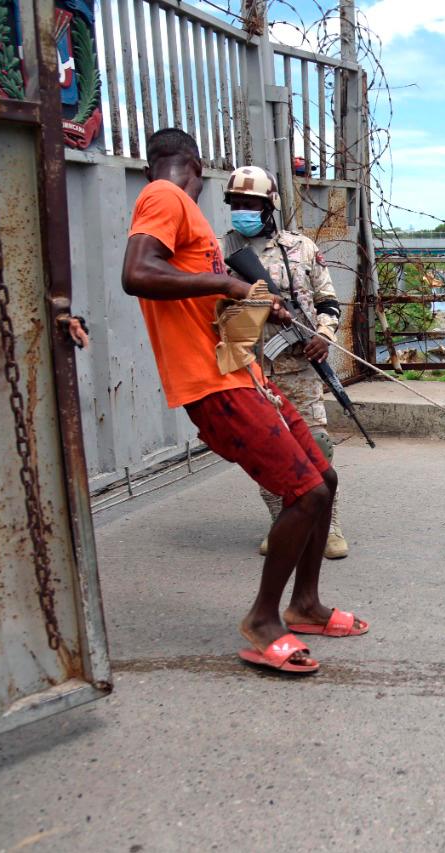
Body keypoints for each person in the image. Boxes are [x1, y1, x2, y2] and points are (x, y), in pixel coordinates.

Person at [121, 128, 367, 675]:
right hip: (214, 385)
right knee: (304, 493)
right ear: (196, 165)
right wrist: (230, 286)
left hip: (243, 372)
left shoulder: (195, 220)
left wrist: (255, 306)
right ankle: (263, 621)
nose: (242, 210)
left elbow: (198, 303)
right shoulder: (163, 196)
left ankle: (305, 605)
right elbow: (137, 274)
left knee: (323, 480)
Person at [222, 165, 349, 561]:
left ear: (270, 206)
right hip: (250, 370)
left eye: (251, 204)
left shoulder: (302, 248)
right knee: (266, 452)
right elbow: (211, 311)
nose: (243, 211)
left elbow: (328, 301)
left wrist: (322, 336)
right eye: (236, 204)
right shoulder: (220, 253)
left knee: (317, 448)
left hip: (299, 370)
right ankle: (282, 523)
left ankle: (328, 526)